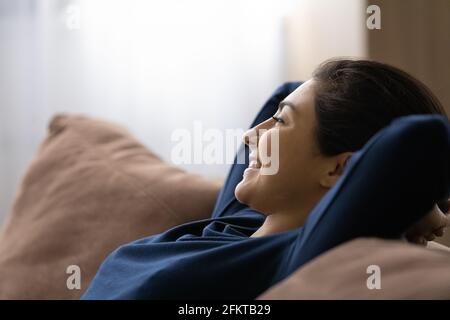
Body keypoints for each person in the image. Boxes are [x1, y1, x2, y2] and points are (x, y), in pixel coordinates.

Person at [82, 59, 450, 299]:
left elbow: (421, 139)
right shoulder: (237, 222)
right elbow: (286, 88)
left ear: (339, 169)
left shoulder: (291, 258)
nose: (250, 134)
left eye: (282, 121)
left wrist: (423, 203)